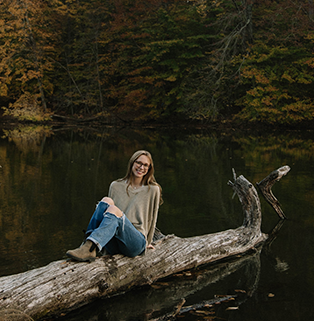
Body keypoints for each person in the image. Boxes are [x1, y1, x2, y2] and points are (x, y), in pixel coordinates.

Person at [66, 150, 162, 262]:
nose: (141, 167)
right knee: (106, 201)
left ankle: (89, 246)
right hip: (115, 241)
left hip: (135, 242)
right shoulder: (115, 186)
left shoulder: (153, 189)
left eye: (145, 165)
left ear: (149, 168)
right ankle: (87, 246)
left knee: (113, 209)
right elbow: (107, 218)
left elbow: (152, 218)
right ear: (132, 163)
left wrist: (148, 242)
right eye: (138, 163)